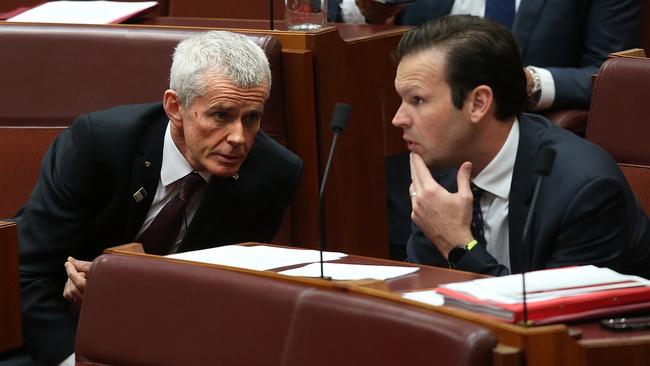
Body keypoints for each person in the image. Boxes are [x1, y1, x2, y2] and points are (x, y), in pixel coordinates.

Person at [13, 30, 302, 365]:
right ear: (175, 106)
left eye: (252, 118)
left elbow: (226, 296)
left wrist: (119, 297)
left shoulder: (271, 174)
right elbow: (28, 275)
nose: (239, 138)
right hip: (56, 330)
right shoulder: (98, 145)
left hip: (173, 339)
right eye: (221, 115)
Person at [392, 15, 650, 277]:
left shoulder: (584, 192)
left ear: (479, 103)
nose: (398, 118)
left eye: (417, 100)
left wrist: (458, 244)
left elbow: (550, 312)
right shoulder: (442, 168)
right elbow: (422, 291)